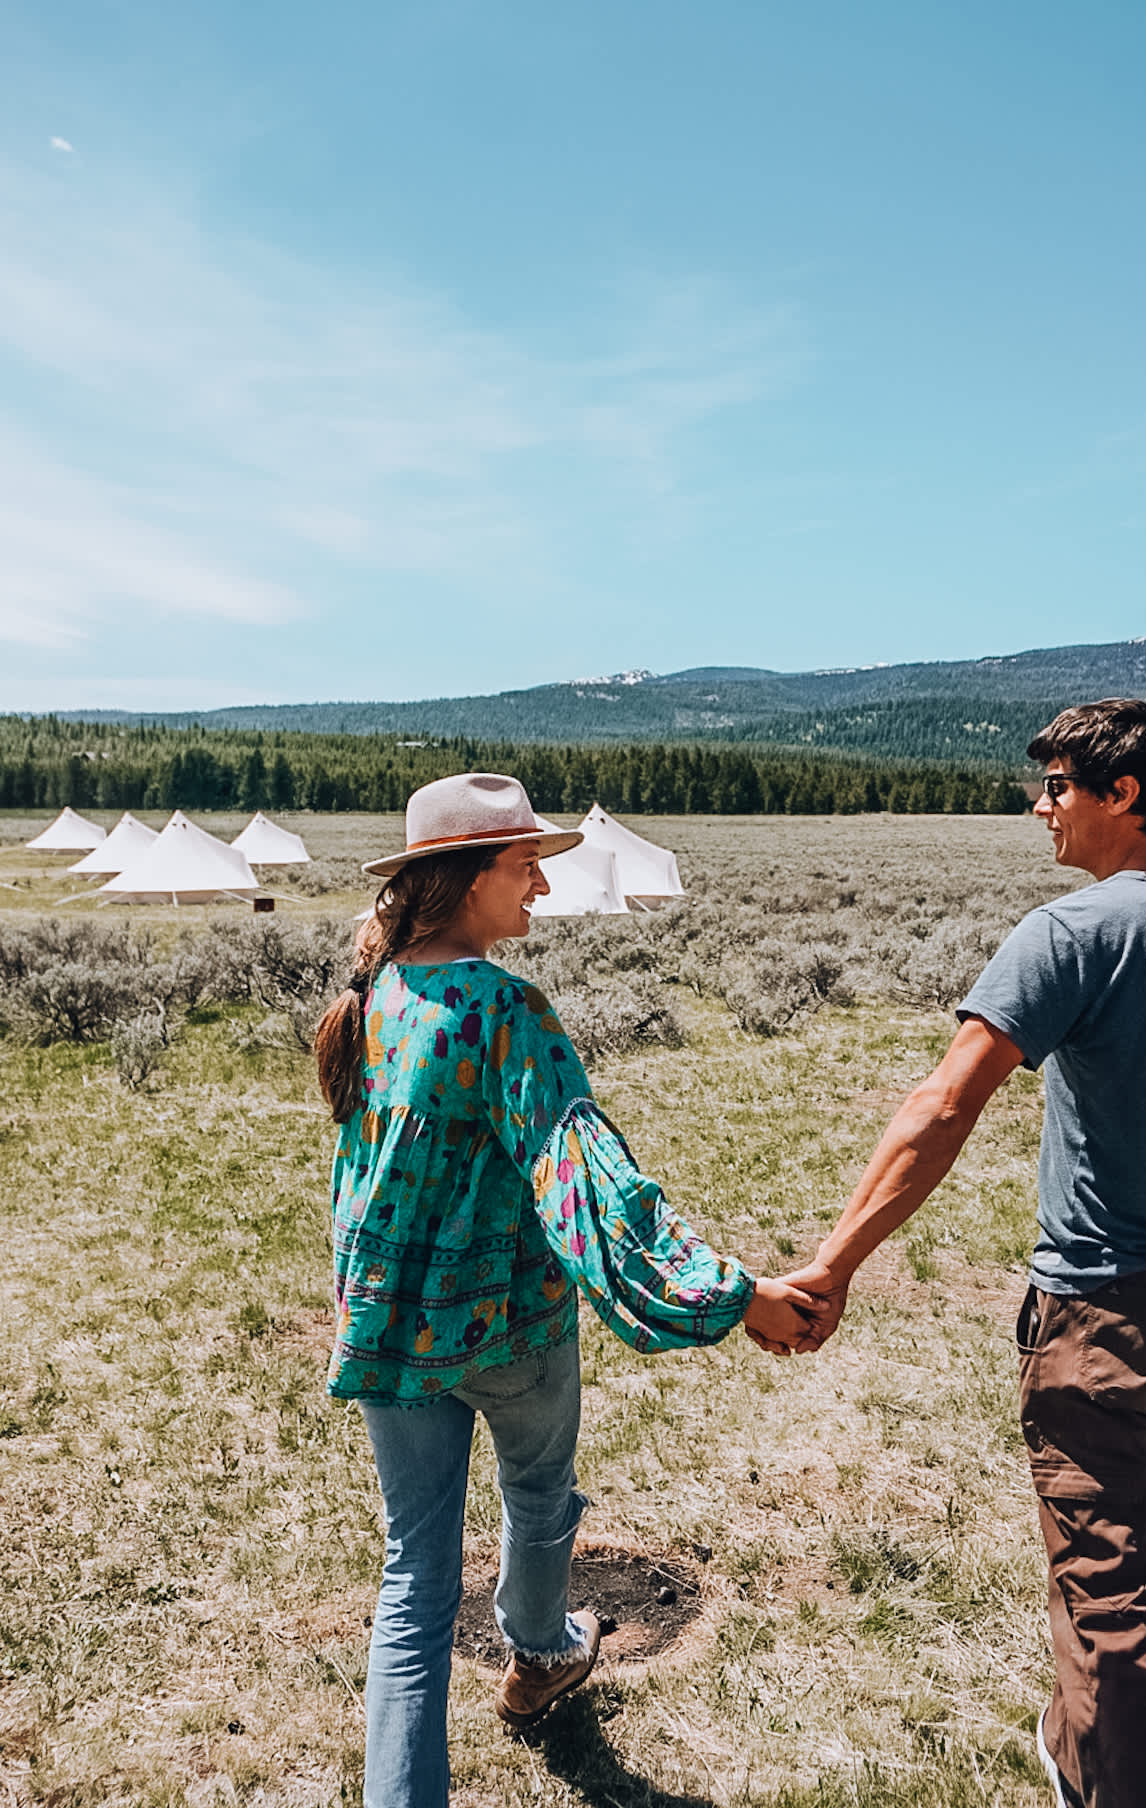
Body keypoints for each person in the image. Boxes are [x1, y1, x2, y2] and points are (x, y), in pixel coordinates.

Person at [784, 700, 1146, 1808]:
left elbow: (944, 1105)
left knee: (1113, 1609)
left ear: (1121, 795)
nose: (1040, 809)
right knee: (1144, 1574)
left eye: (1056, 787)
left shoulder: (1069, 933)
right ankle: (1079, 1755)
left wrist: (832, 1262)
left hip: (1105, 1317)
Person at [314, 772, 812, 1808]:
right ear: (466, 877)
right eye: (524, 863)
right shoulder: (504, 1008)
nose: (541, 883)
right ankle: (541, 1653)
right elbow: (589, 1183)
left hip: (390, 1326)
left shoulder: (376, 993)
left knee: (412, 1578)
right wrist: (734, 1296)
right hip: (509, 1325)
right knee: (537, 1494)